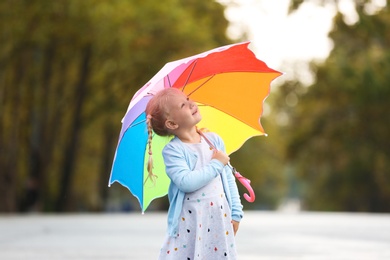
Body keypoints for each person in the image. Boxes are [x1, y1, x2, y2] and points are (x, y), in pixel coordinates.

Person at [145, 88, 243, 260]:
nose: (191, 103)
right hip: (190, 222)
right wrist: (216, 164)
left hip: (219, 219)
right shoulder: (174, 150)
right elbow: (185, 182)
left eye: (188, 98)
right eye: (183, 104)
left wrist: (236, 212)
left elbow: (227, 178)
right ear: (172, 124)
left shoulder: (214, 141)